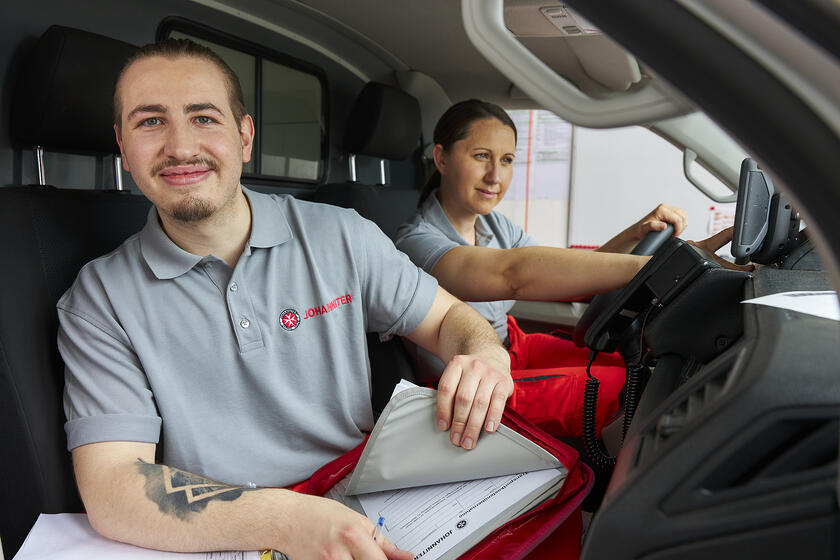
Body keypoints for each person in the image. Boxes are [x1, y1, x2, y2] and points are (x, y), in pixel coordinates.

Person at [58, 40, 515, 560]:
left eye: (204, 118)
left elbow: (451, 318)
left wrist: (484, 352)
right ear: (122, 144)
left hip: (369, 500)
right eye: (150, 122)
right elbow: (114, 485)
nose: (181, 147)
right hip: (231, 532)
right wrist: (283, 520)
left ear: (245, 135)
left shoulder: (341, 235)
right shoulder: (97, 301)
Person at [394, 99, 738, 439]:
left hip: (512, 346)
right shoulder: (417, 243)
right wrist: (664, 267)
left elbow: (560, 274)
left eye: (507, 160)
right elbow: (513, 274)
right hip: (469, 383)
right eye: (481, 156)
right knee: (625, 389)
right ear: (441, 158)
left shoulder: (493, 225)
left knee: (626, 365)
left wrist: (635, 233)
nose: (495, 176)